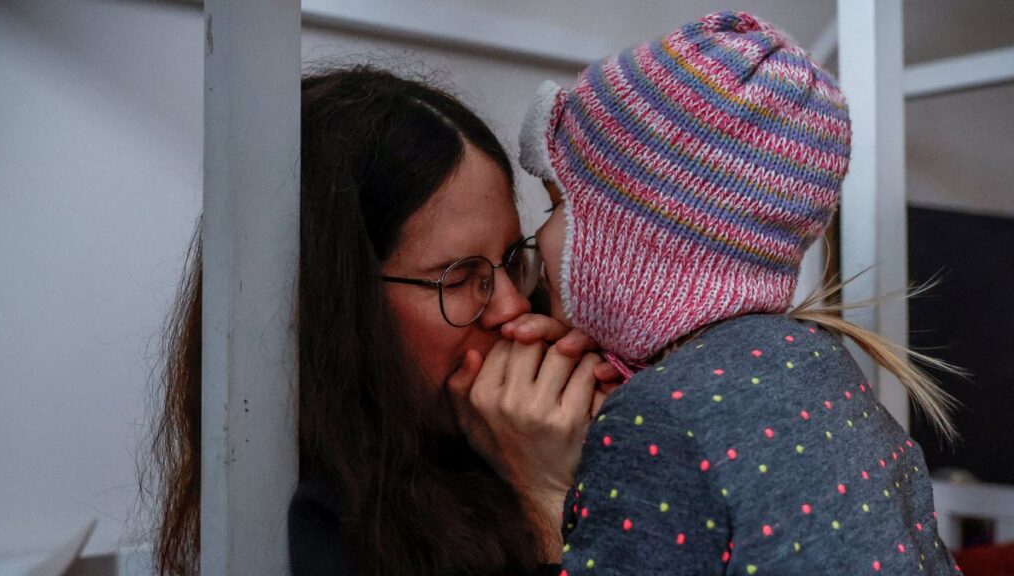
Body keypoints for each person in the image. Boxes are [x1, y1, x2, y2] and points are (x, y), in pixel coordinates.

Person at [489, 11, 960, 575]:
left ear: (637, 237)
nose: (538, 235)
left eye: (557, 205)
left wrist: (539, 487)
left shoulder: (658, 419)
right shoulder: (819, 364)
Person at [147, 65, 615, 576]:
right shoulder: (320, 523)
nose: (512, 309)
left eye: (510, 260)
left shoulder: (509, 435)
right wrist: (546, 497)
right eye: (460, 277)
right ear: (339, 306)